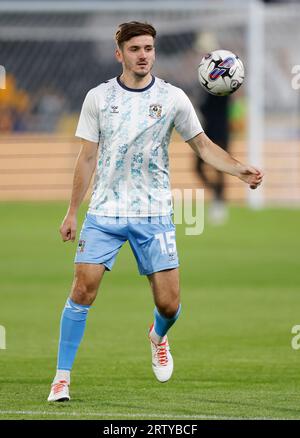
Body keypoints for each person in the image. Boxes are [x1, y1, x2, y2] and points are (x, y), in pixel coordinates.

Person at [47, 21, 263, 402]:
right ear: (120, 54)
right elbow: (86, 158)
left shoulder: (173, 97)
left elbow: (203, 146)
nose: (143, 55)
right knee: (82, 290)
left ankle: (157, 335)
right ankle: (61, 378)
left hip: (154, 213)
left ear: (154, 52)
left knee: (169, 304)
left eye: (148, 48)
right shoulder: (98, 97)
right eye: (135, 49)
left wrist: (239, 169)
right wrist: (71, 212)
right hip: (105, 212)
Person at [196, 92, 230, 224]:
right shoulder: (206, 86)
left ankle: (220, 202)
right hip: (206, 133)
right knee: (197, 168)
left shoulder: (223, 88)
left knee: (220, 169)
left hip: (220, 132)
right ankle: (217, 195)